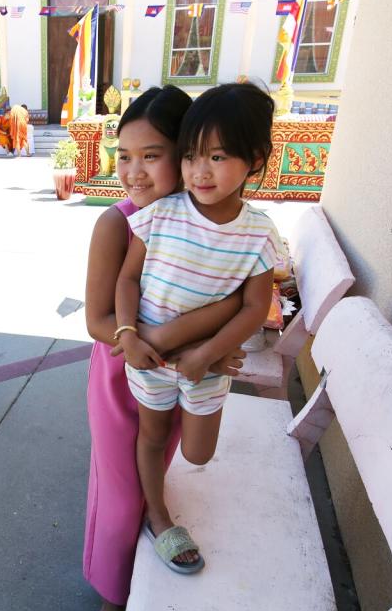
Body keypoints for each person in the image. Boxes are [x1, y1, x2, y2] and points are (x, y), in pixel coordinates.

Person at [83, 86, 247, 611]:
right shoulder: (119, 223)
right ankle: (112, 598)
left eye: (150, 155)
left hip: (181, 380)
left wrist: (210, 348)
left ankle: (156, 519)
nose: (132, 171)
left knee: (159, 460)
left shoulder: (216, 226)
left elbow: (238, 302)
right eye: (124, 155)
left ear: (188, 153)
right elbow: (97, 319)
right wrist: (147, 341)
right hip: (121, 376)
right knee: (120, 491)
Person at [115, 82, 279, 577]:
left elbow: (254, 308)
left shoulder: (259, 233)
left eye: (218, 156)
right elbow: (127, 277)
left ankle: (167, 478)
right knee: (150, 436)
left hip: (206, 365)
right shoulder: (161, 215)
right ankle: (158, 516)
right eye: (190, 156)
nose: (199, 171)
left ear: (254, 159)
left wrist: (208, 354)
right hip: (148, 360)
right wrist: (127, 334)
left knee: (197, 452)